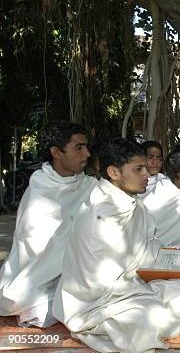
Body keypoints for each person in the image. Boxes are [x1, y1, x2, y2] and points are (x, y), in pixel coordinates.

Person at [52, 138, 180, 352]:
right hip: (98, 300)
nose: (147, 175)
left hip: (133, 285)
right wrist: (152, 272)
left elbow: (148, 246)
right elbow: (96, 281)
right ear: (113, 173)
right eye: (138, 169)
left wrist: (171, 261)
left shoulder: (132, 202)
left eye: (145, 168)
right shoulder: (98, 213)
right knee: (148, 319)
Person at [0, 122, 97, 327]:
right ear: (56, 152)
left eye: (86, 147)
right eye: (78, 147)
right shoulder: (39, 188)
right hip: (43, 273)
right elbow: (32, 245)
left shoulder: (91, 186)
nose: (87, 153)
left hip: (84, 269)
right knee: (30, 303)